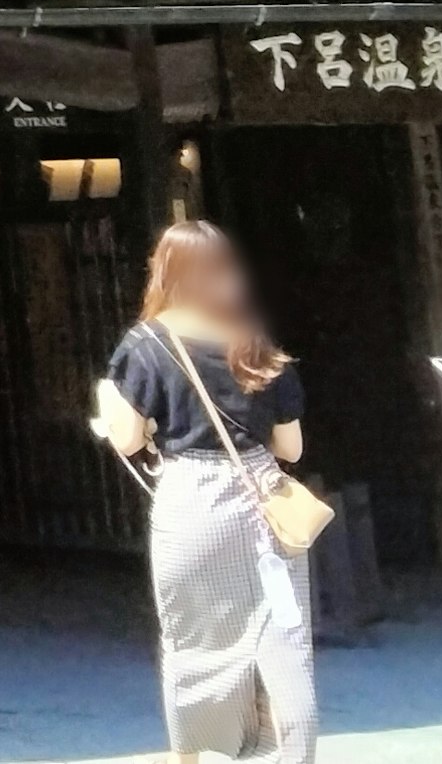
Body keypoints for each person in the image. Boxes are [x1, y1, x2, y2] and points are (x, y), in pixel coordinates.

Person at [97, 220, 317, 764]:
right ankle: (292, 751)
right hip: (263, 501)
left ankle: (192, 758)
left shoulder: (145, 345)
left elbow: (126, 438)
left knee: (191, 644)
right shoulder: (254, 341)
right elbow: (290, 447)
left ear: (165, 271)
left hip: (191, 503)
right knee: (281, 637)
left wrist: (119, 413)